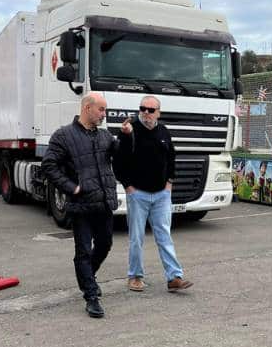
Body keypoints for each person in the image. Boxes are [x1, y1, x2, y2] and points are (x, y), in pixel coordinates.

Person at [41, 92, 119, 318]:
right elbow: (49, 165)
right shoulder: (63, 136)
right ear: (87, 108)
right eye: (101, 110)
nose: (104, 114)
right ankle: (91, 296)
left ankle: (87, 278)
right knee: (83, 250)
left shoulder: (105, 136)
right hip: (80, 205)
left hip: (103, 202)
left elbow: (122, 155)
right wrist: (71, 188)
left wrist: (127, 138)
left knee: (105, 244)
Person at [115, 95, 193, 293]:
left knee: (164, 235)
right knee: (136, 237)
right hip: (138, 194)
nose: (146, 113)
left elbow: (172, 158)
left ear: (158, 112)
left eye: (151, 110)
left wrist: (169, 183)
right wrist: (128, 187)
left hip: (161, 194)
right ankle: (135, 276)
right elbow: (119, 162)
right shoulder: (130, 130)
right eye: (143, 109)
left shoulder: (163, 132)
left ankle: (174, 277)